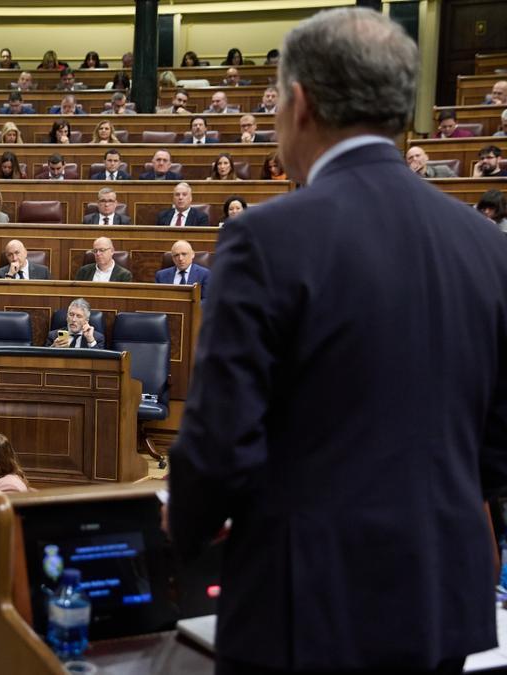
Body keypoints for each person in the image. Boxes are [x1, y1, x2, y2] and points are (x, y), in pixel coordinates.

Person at [170, 8, 507, 674]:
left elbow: (220, 443)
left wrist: (184, 530)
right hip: (442, 601)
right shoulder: (487, 246)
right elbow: (497, 448)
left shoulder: (266, 239)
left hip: (307, 606)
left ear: (300, 103)